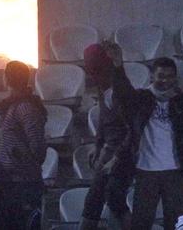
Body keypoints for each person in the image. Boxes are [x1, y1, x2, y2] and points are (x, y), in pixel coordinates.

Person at [109, 46, 183, 230]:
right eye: (161, 76)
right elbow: (123, 92)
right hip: (146, 170)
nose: (165, 81)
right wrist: (117, 66)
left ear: (175, 78)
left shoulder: (182, 101)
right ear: (152, 76)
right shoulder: (142, 99)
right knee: (141, 223)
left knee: (177, 223)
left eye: (170, 76)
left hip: (176, 171)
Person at [81, 41, 134, 230]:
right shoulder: (104, 87)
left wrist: (117, 158)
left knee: (113, 198)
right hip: (109, 152)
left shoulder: (117, 90)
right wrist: (97, 145)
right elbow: (104, 121)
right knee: (95, 202)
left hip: (121, 154)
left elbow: (132, 128)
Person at [0, 60, 47, 230]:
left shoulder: (25, 108)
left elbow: (37, 146)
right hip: (9, 181)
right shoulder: (14, 106)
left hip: (21, 184)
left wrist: (20, 160)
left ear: (8, 78)